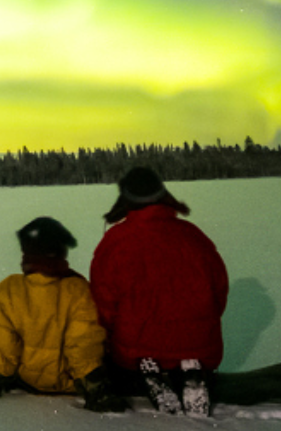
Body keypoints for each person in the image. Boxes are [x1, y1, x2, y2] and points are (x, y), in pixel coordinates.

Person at [89, 167, 229, 417]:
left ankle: (150, 368)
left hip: (133, 348)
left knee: (125, 357)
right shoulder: (193, 236)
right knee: (185, 346)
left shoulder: (115, 241)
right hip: (199, 344)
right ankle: (189, 366)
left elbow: (103, 304)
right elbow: (219, 291)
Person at [0, 216, 127, 412]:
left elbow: (4, 345)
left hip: (27, 380)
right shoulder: (78, 289)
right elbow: (83, 344)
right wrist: (96, 387)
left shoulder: (7, 290)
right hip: (70, 383)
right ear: (61, 251)